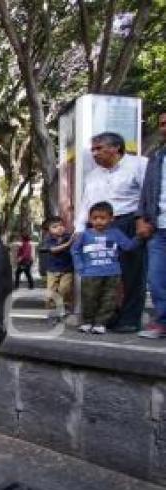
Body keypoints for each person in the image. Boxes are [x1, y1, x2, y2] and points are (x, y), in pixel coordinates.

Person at [75, 132, 148, 332]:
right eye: (93, 149)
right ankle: (105, 317)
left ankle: (130, 320)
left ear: (115, 148)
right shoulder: (93, 175)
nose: (94, 153)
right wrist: (80, 229)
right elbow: (86, 203)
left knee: (132, 274)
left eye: (98, 148)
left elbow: (147, 195)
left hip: (128, 222)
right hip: (98, 229)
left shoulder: (140, 165)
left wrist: (144, 222)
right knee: (104, 274)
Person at [72, 201, 140, 334]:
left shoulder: (116, 233)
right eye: (95, 218)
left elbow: (128, 246)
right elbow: (75, 250)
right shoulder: (85, 234)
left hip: (112, 274)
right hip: (90, 274)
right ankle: (87, 322)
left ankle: (100, 323)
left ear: (111, 219)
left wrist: (139, 238)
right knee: (89, 298)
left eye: (102, 218)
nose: (98, 221)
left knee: (109, 299)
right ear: (90, 219)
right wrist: (80, 266)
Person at [135, 110, 166, 339]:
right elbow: (146, 191)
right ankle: (162, 322)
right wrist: (141, 219)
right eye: (162, 123)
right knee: (156, 279)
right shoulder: (157, 157)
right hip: (158, 228)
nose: (164, 127)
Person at [42, 217, 74, 318]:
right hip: (52, 270)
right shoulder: (48, 239)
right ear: (48, 231)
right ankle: (51, 312)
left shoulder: (69, 236)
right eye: (55, 227)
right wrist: (68, 244)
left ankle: (65, 307)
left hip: (67, 269)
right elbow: (53, 250)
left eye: (61, 225)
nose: (59, 228)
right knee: (50, 293)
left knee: (65, 289)